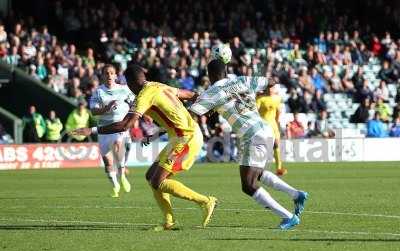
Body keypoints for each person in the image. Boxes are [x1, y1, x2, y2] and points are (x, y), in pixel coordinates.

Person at [73, 64, 217, 230]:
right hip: (179, 137)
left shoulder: (143, 96)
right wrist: (207, 104)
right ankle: (169, 222)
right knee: (151, 177)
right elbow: (189, 95)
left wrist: (90, 130)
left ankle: (206, 201)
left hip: (186, 139)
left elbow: (124, 125)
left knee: (157, 181)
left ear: (131, 83)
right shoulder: (158, 85)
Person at [189, 59, 308, 230]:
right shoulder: (242, 80)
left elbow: (192, 113)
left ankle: (288, 217)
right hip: (265, 130)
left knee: (248, 184)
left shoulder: (212, 92)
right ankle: (297, 195)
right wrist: (257, 93)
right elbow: (272, 82)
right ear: (226, 70)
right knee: (257, 173)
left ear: (210, 75)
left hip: (250, 135)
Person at [89, 64, 134, 197]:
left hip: (120, 127)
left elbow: (135, 103)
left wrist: (144, 115)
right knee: (108, 162)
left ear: (116, 75)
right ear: (103, 75)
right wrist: (106, 108)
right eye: (106, 73)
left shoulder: (124, 89)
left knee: (118, 144)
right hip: (104, 129)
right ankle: (115, 186)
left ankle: (122, 172)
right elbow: (93, 111)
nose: (109, 76)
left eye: (111, 73)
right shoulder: (98, 92)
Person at [256, 80, 287, 176]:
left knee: (276, 144)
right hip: (263, 126)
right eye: (268, 87)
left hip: (273, 125)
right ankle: (258, 168)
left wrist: (277, 122)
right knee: (263, 147)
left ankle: (279, 168)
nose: (270, 89)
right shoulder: (260, 99)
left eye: (272, 87)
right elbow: (255, 112)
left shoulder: (277, 98)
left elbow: (278, 112)